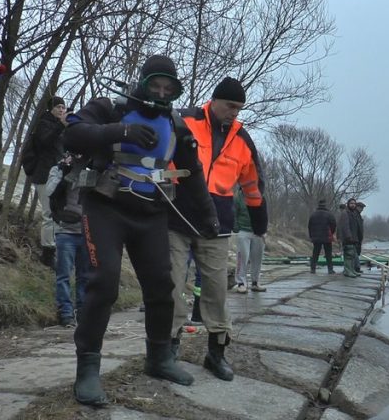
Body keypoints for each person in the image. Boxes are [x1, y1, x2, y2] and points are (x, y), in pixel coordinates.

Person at [63, 54, 219, 406]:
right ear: (143, 83)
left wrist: (209, 219)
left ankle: (159, 358)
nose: (161, 93)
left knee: (163, 287)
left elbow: (193, 174)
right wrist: (121, 131)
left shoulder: (177, 126)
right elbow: (71, 134)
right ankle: (87, 371)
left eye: (169, 88)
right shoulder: (111, 108)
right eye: (155, 85)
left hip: (151, 213)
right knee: (103, 282)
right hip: (105, 206)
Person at [168, 77, 268, 381]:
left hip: (218, 225)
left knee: (215, 291)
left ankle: (216, 353)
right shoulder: (183, 121)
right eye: (230, 106)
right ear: (214, 100)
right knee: (171, 285)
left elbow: (253, 184)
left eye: (239, 108)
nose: (234, 112)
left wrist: (260, 220)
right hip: (176, 217)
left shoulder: (243, 140)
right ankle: (167, 350)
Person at [45, 153, 89, 328]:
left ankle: (83, 312)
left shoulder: (90, 170)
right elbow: (49, 191)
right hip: (65, 231)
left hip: (86, 231)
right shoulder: (58, 170)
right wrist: (64, 171)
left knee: (84, 276)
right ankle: (66, 314)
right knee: (63, 275)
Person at [30, 96, 68, 267]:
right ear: (51, 108)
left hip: (59, 175)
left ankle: (55, 250)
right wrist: (61, 125)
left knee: (58, 214)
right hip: (44, 175)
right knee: (48, 214)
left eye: (63, 107)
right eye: (59, 107)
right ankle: (47, 253)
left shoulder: (63, 128)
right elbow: (44, 142)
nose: (62, 110)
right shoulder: (44, 123)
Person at [233, 188, 266, 293]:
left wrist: (263, 230)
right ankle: (241, 283)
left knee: (257, 258)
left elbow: (264, 214)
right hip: (243, 230)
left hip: (258, 232)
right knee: (243, 257)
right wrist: (236, 228)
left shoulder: (260, 196)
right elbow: (234, 214)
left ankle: (255, 282)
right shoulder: (238, 197)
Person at [308, 199, 337, 275]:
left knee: (315, 253)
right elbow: (334, 225)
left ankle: (313, 269)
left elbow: (309, 226)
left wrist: (312, 236)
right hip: (327, 237)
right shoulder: (329, 214)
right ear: (325, 205)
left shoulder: (313, 214)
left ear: (318, 205)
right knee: (328, 254)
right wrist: (331, 232)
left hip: (316, 237)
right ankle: (330, 270)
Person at [337, 199, 361, 278]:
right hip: (348, 238)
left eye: (354, 203)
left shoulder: (353, 213)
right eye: (351, 203)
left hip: (353, 238)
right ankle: (348, 271)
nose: (353, 205)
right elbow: (345, 226)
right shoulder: (345, 213)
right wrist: (348, 236)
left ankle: (351, 269)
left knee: (353, 255)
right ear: (348, 204)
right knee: (348, 255)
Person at [354, 201, 366, 273]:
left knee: (357, 253)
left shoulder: (359, 215)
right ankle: (356, 268)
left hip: (358, 238)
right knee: (355, 254)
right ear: (357, 207)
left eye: (362, 208)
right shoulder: (355, 214)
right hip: (355, 238)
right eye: (361, 208)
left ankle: (356, 268)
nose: (362, 209)